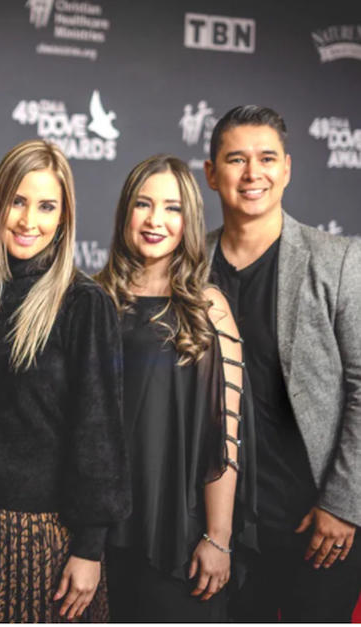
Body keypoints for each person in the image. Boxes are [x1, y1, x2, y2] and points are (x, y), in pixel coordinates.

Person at [0, 139, 130, 622]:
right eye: (18, 202)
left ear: (65, 216)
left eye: (47, 206)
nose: (29, 221)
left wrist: (90, 548)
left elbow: (100, 434)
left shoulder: (84, 303)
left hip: (45, 538)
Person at [204, 105, 361, 621]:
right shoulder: (186, 265)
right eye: (236, 159)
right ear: (210, 173)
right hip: (215, 529)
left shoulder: (337, 261)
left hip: (315, 526)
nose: (253, 174)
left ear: (287, 168)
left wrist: (343, 503)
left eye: (267, 158)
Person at [95, 154, 257, 621]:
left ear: (189, 220)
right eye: (143, 205)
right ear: (126, 212)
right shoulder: (95, 300)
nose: (155, 220)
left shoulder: (209, 308)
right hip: (100, 533)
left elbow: (226, 435)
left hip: (180, 533)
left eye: (171, 208)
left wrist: (218, 537)